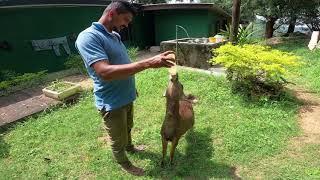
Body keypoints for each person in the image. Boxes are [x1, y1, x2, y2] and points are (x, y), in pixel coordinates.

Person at [75, 0, 175, 176]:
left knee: (128, 125)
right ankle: (124, 162)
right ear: (112, 13)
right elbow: (104, 72)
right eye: (126, 19)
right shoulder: (88, 37)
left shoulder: (114, 35)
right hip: (111, 100)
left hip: (126, 95)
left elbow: (121, 62)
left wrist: (131, 88)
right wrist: (149, 62)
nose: (127, 25)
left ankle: (130, 147)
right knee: (117, 137)